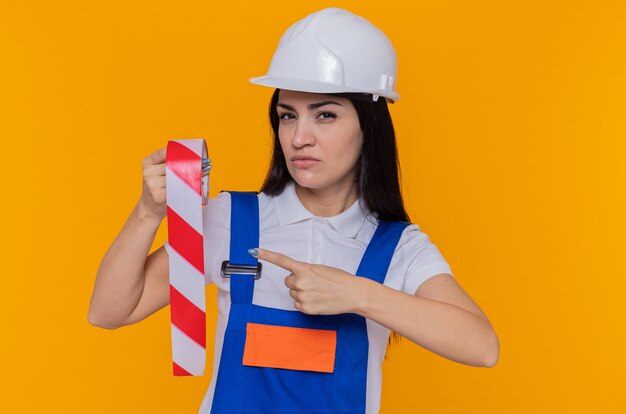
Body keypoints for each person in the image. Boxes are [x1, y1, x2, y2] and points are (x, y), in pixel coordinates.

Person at [88, 7, 499, 414]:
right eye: (288, 116)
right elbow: (109, 312)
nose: (300, 137)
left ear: (368, 127)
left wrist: (357, 294)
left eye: (325, 115)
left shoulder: (399, 248)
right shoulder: (231, 219)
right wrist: (147, 214)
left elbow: (482, 347)